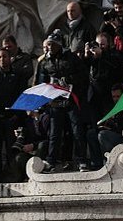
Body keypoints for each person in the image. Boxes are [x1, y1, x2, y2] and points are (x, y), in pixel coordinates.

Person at [37, 31, 88, 171]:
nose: (50, 47)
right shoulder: (45, 62)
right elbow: (41, 82)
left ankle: (81, 160)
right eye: (48, 45)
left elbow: (83, 76)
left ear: (59, 45)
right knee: (54, 132)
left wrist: (69, 80)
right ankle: (51, 161)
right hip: (55, 101)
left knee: (77, 130)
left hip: (71, 99)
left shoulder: (71, 58)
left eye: (53, 45)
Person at [0, 48, 29, 170]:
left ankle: (13, 173)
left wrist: (17, 115)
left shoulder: (18, 75)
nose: (2, 59)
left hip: (11, 118)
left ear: (10, 59)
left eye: (5, 56)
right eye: (0, 57)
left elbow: (21, 95)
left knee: (11, 148)